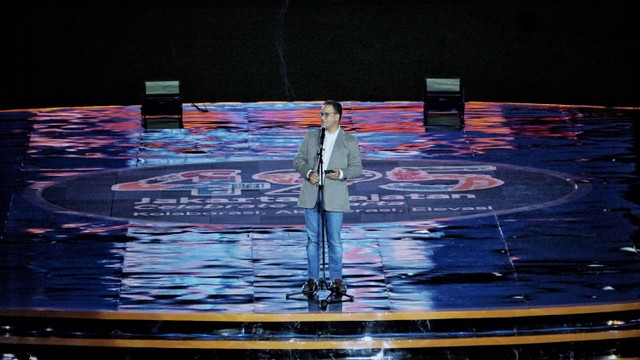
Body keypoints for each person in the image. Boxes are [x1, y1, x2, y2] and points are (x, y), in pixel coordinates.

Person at [293, 100, 363, 295]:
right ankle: (312, 279)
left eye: (326, 114)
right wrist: (308, 172)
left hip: (334, 195)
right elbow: (298, 160)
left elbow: (357, 168)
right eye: (321, 114)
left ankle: (336, 279)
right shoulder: (311, 137)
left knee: (334, 240)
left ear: (337, 117)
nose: (322, 117)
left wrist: (341, 173)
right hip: (311, 194)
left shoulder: (349, 141)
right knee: (312, 240)